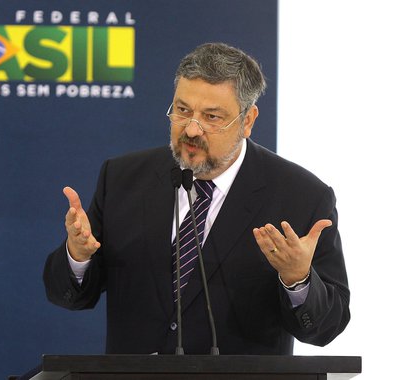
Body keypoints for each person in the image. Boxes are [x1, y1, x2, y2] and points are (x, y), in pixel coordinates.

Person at [43, 42, 350, 355]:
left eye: (212, 117)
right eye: (182, 110)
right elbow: (69, 295)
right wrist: (77, 257)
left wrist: (298, 279)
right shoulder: (122, 178)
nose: (191, 129)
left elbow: (326, 327)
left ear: (247, 120)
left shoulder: (301, 196)